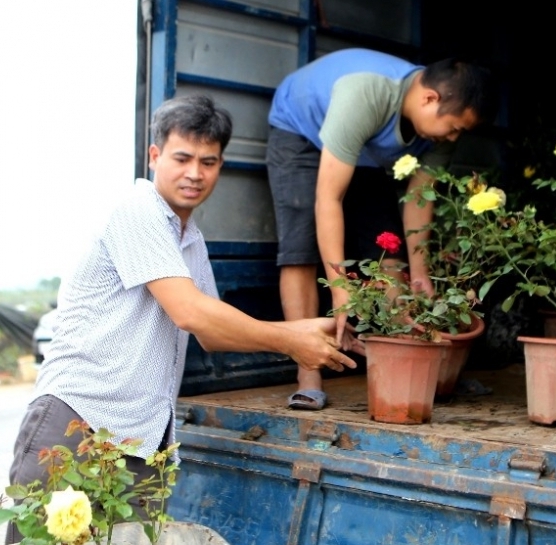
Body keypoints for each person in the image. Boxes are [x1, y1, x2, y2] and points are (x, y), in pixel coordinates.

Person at [5, 95, 359, 545]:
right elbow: (192, 313)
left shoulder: (190, 239)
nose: (195, 173)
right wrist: (292, 342)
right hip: (79, 426)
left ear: (220, 166)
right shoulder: (137, 211)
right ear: (154, 156)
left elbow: (211, 333)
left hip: (140, 446)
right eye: (182, 158)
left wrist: (313, 330)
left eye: (208, 162)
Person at [266, 47, 497, 410]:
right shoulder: (366, 95)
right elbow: (329, 198)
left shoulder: (434, 131)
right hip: (301, 131)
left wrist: (420, 274)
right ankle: (308, 370)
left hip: (366, 146)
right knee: (302, 247)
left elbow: (419, 201)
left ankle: (411, 359)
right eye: (453, 128)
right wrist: (340, 289)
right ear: (429, 98)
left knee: (387, 247)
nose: (454, 139)